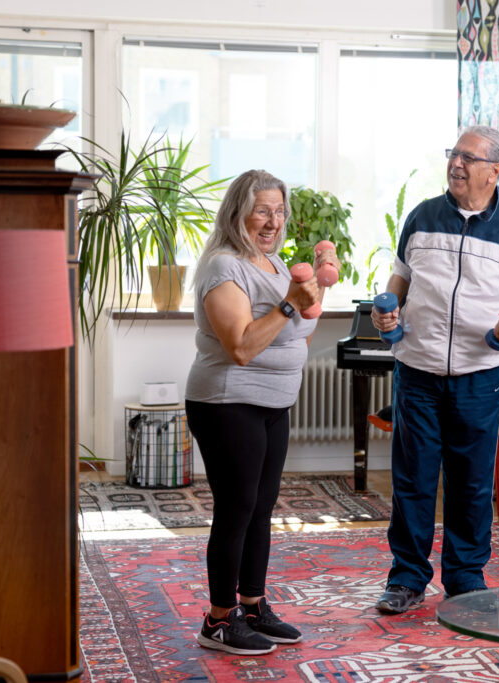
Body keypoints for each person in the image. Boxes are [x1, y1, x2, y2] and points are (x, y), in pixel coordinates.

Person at [371, 125, 499, 613]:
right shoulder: (423, 216)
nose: (456, 163)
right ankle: (406, 578)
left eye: (468, 157)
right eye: (453, 154)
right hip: (418, 369)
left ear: (495, 170)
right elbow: (401, 277)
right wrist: (386, 312)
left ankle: (466, 578)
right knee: (414, 478)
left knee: (472, 481)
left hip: (480, 372)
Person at [185, 169, 339, 654]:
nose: (272, 221)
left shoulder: (271, 263)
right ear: (238, 213)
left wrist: (313, 296)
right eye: (262, 211)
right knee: (237, 508)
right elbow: (241, 347)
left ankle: (251, 606)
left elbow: (296, 335)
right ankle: (217, 620)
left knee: (262, 506)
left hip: (274, 404)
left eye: (278, 211)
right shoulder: (223, 267)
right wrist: (292, 305)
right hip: (229, 401)